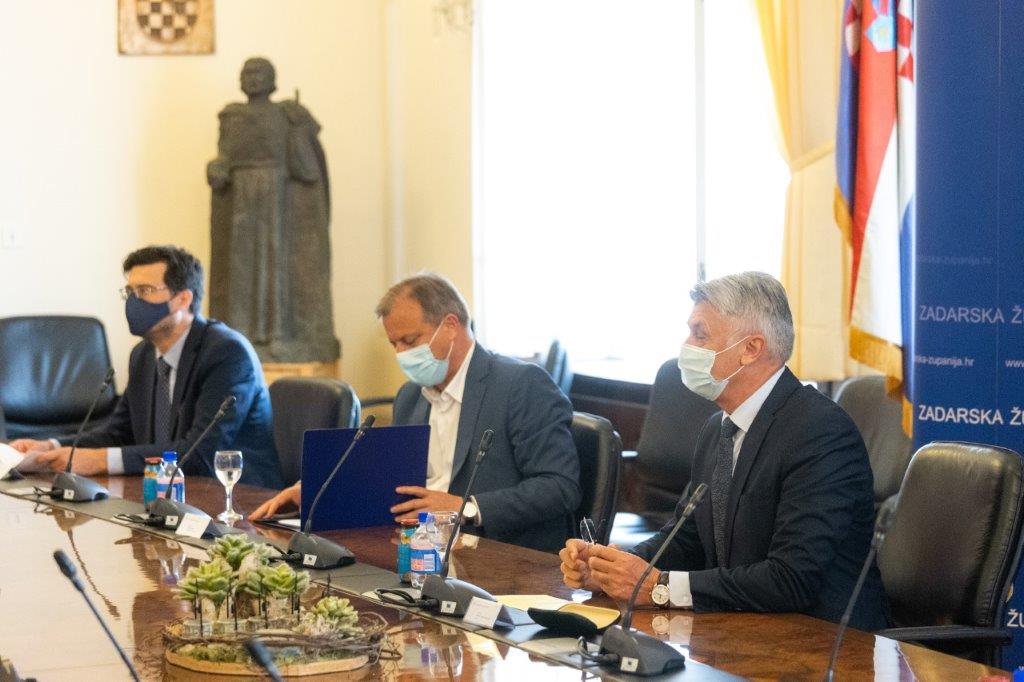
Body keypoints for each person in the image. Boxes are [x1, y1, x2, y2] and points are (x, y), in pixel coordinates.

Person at [559, 272, 888, 630]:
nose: (687, 346)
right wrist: (611, 567)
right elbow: (687, 539)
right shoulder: (718, 427)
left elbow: (792, 578)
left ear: (751, 349)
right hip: (742, 627)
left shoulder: (820, 432)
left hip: (824, 640)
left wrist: (658, 587)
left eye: (700, 334)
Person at [251, 273, 581, 552]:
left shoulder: (520, 385)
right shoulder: (410, 396)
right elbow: (394, 480)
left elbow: (560, 487)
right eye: (394, 344)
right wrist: (319, 490)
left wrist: (464, 508)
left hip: (499, 553)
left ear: (450, 325)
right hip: (418, 547)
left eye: (409, 341)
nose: (401, 354)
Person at [10, 245, 283, 489]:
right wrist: (51, 446)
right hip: (166, 493)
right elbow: (118, 433)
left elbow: (199, 454)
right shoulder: (142, 355)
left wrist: (100, 460)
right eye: (130, 292)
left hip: (239, 500)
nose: (134, 302)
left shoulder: (227, 353)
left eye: (145, 291)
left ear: (183, 299)